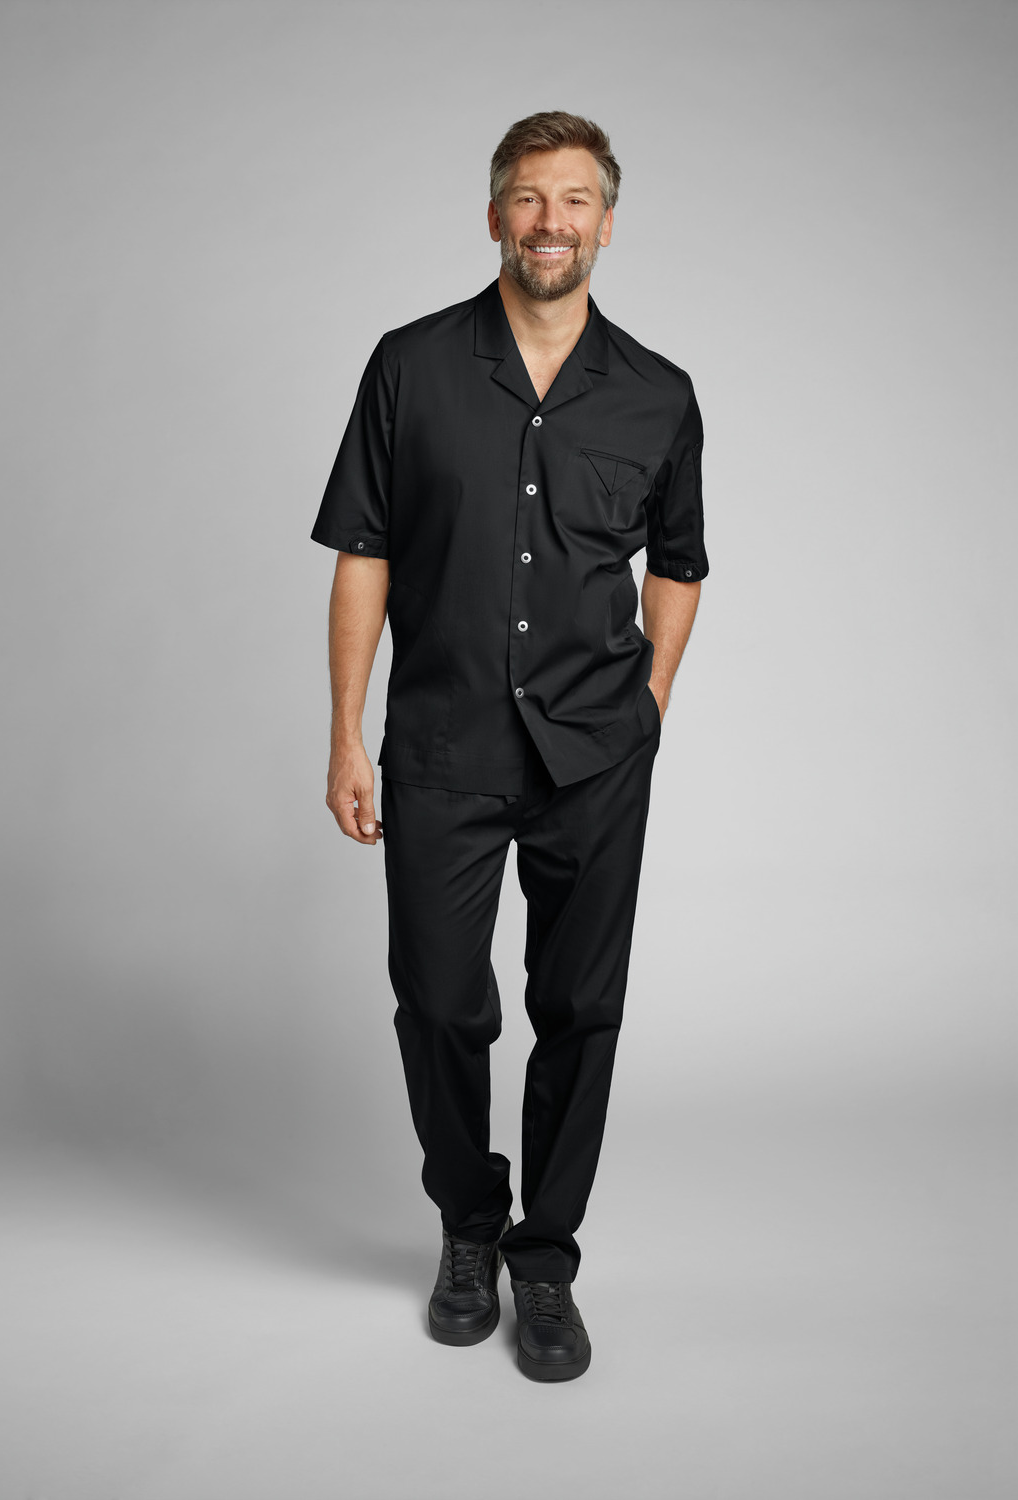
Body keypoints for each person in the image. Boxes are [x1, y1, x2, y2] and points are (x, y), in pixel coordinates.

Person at [309, 111, 709, 1382]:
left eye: (574, 200)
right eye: (529, 198)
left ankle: (544, 1260)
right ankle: (467, 1224)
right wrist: (345, 734)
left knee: (579, 1010)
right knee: (437, 1001)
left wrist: (644, 706)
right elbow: (361, 554)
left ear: (606, 223)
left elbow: (679, 566)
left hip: (595, 757)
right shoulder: (409, 366)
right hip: (439, 745)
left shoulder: (657, 394)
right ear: (494, 217)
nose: (550, 222)